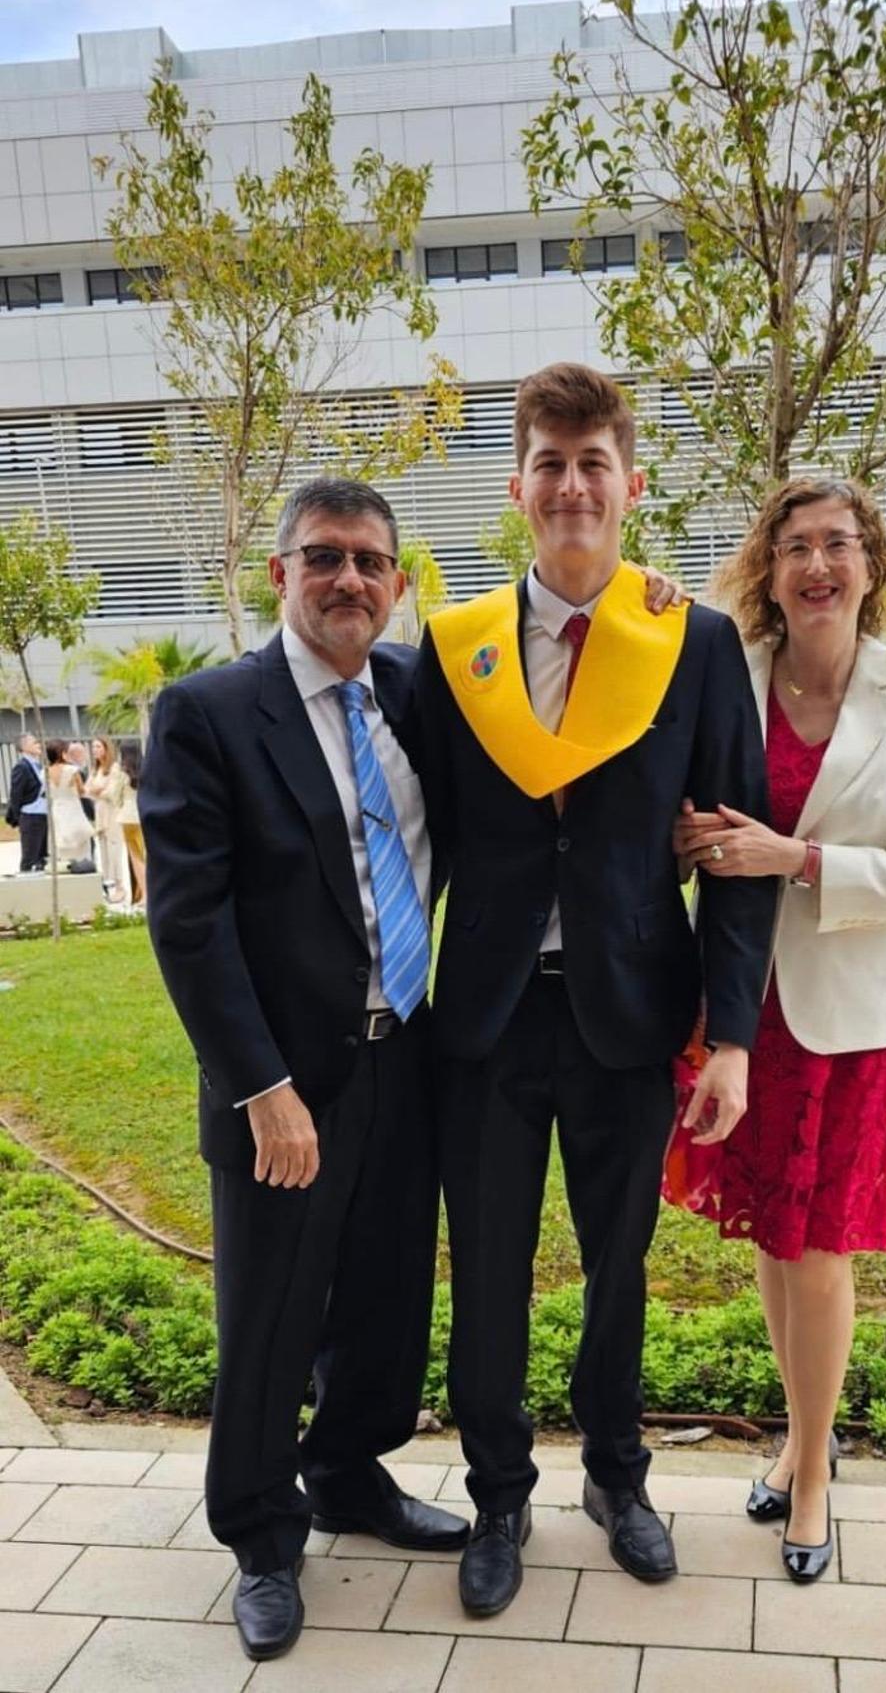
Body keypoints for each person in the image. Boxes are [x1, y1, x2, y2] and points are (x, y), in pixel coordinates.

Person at [415, 363, 776, 1619]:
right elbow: (409, 837)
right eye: (550, 463)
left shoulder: (692, 640)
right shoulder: (452, 651)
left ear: (629, 483)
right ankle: (500, 1492)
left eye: (594, 463)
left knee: (619, 1266)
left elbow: (734, 854)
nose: (573, 484)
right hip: (489, 1019)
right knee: (495, 1269)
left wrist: (731, 1036)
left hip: (631, 1011)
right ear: (518, 487)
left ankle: (618, 1478)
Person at [139, 477, 471, 1664]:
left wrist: (652, 601)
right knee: (273, 1319)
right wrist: (258, 1086)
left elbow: (542, 710)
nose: (347, 580)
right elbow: (187, 923)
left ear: (397, 585)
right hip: (285, 1081)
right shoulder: (210, 713)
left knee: (385, 1297)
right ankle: (263, 1536)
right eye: (323, 557)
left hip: (408, 1056)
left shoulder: (420, 696)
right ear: (277, 574)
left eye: (371, 562)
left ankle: (346, 1475)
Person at [671, 476, 886, 1584]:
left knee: (822, 1246)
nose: (817, 565)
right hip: (743, 1006)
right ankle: (801, 1432)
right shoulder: (729, 676)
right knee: (769, 1235)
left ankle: (812, 1477)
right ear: (769, 569)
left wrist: (790, 857)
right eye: (795, 546)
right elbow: (687, 816)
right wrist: (696, 841)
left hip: (852, 1019)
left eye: (839, 544)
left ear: (872, 564)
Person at [85, 736, 128, 901]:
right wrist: (97, 789)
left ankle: (120, 885)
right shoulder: (95, 770)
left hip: (112, 814)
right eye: (93, 747)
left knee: (114, 849)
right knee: (104, 851)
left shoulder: (115, 768)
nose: (95, 750)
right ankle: (108, 884)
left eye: (98, 747)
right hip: (100, 814)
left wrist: (98, 790)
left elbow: (112, 793)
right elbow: (87, 790)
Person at [45, 739, 95, 867]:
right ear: (62, 754)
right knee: (80, 843)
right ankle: (83, 866)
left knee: (60, 841)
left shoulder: (44, 772)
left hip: (56, 808)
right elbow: (81, 791)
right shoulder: (72, 770)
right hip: (72, 807)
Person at [6, 734, 47, 871]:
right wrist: (18, 818)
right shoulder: (22, 767)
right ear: (24, 747)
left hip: (42, 813)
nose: (38, 745)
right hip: (30, 815)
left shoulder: (38, 765)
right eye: (34, 742)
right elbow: (16, 794)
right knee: (30, 855)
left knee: (42, 855)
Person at [116, 744, 147, 904]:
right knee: (146, 855)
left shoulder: (122, 773)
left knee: (136, 857)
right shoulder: (146, 770)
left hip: (128, 816)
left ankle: (144, 893)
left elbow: (115, 795)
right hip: (144, 815)